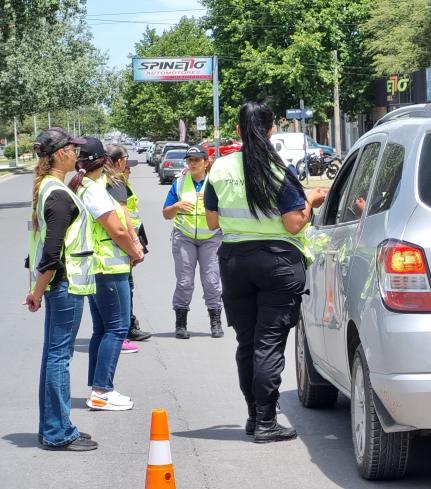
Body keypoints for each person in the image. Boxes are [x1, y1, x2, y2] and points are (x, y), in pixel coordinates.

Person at [204, 100, 327, 443]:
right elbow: (292, 225)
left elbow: (213, 220)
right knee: (268, 344)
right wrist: (311, 202)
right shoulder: (278, 169)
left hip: (234, 263)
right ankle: (267, 422)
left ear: (239, 130)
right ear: (271, 130)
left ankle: (253, 416)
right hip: (278, 264)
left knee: (247, 343)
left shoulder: (220, 168)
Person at [25, 128, 98, 451]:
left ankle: (55, 426)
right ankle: (57, 432)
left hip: (60, 285)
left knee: (54, 356)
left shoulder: (51, 188)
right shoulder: (57, 194)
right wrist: (38, 292)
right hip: (64, 285)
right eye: (72, 148)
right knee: (58, 358)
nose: (76, 153)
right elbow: (51, 254)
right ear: (59, 154)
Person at [73, 137, 144, 411]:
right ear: (102, 160)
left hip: (97, 267)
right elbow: (117, 229)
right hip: (109, 266)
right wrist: (134, 251)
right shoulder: (96, 189)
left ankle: (97, 387)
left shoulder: (83, 186)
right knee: (117, 328)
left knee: (102, 329)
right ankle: (102, 390)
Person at [162, 146, 224, 339]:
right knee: (184, 281)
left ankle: (215, 320)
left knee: (212, 281)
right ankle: (180, 322)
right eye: (189, 160)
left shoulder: (216, 183)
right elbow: (166, 213)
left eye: (197, 160)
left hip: (211, 237)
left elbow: (227, 210)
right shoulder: (179, 183)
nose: (193, 163)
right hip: (184, 236)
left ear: (206, 162)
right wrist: (176, 206)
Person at [104, 144, 151, 350]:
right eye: (127, 163)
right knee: (123, 289)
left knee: (125, 288)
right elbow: (123, 218)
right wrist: (134, 246)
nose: (129, 169)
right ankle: (122, 332)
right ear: (119, 162)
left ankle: (127, 327)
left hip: (122, 244)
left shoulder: (112, 182)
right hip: (119, 246)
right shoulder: (115, 184)